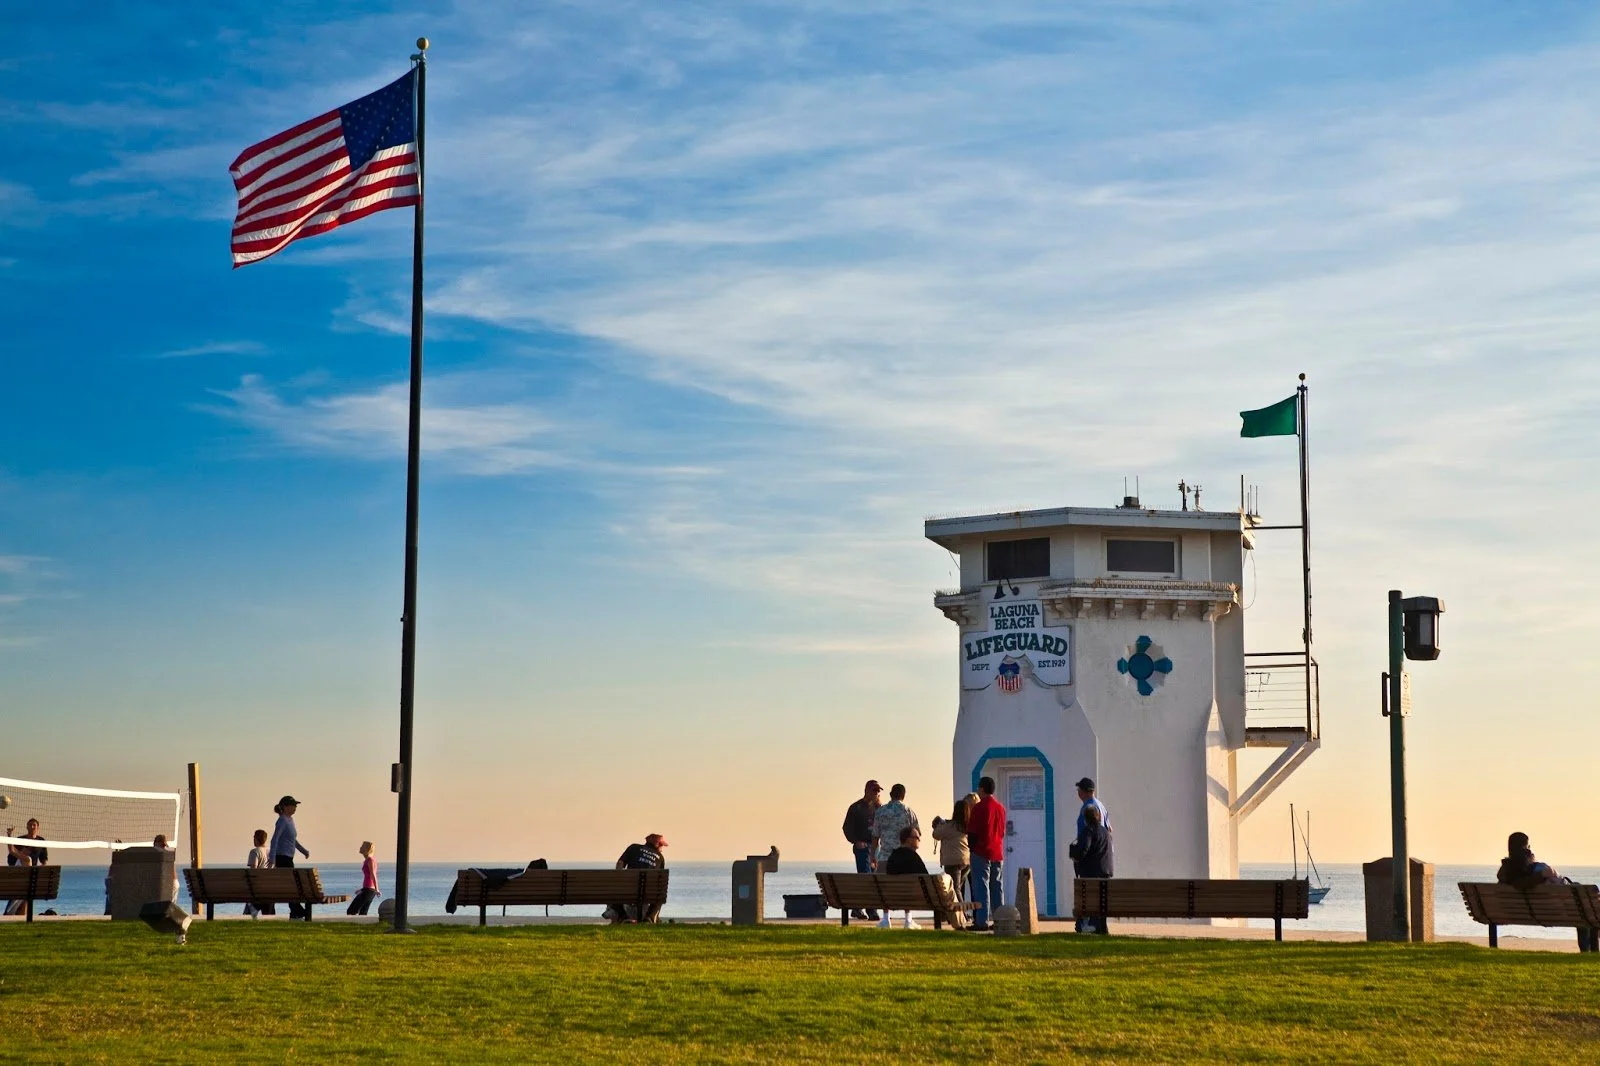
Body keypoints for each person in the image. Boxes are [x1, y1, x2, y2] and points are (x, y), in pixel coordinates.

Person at [1497, 831, 1595, 951]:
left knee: (1582, 908)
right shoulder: (1536, 871)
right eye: (1528, 846)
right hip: (1557, 911)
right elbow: (1522, 883)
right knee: (1583, 912)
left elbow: (1516, 882)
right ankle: (1587, 951)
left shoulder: (1506, 871)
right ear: (1525, 848)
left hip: (1528, 912)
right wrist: (1543, 874)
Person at [966, 776, 1006, 931]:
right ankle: (1000, 920)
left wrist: (972, 848)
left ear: (982, 789)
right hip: (997, 852)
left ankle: (982, 921)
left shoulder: (979, 807)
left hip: (982, 851)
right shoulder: (1000, 808)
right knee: (997, 887)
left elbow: (973, 832)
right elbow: (1002, 832)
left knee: (981, 886)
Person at [841, 779, 883, 920]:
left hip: (875, 847)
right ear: (866, 790)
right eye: (874, 790)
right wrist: (856, 841)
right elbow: (847, 828)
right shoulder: (856, 808)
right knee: (866, 878)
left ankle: (857, 907)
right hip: (862, 847)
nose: (876, 793)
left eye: (878, 791)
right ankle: (871, 910)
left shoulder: (880, 808)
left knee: (872, 877)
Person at [1068, 804, 1113, 934]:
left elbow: (1083, 850)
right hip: (1105, 873)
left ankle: (1090, 925)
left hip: (1092, 874)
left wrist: (1075, 855)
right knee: (1101, 899)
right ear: (1098, 817)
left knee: (1087, 896)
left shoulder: (1089, 831)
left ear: (1085, 819)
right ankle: (1101, 925)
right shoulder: (1106, 832)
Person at [608, 833, 668, 923]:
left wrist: (619, 879)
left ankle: (623, 916)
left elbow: (620, 864)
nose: (662, 849)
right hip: (649, 894)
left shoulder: (634, 847)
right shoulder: (660, 858)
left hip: (629, 890)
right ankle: (650, 917)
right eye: (661, 845)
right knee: (658, 896)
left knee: (613, 890)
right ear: (657, 845)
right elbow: (659, 881)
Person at [269, 795, 311, 920]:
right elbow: (274, 839)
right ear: (285, 807)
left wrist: (303, 851)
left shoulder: (290, 820)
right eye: (293, 805)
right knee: (291, 886)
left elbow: (292, 840)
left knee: (291, 886)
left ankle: (295, 913)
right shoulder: (282, 820)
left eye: (296, 806)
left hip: (288, 858)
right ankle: (298, 911)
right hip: (282, 858)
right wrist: (272, 858)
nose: (295, 808)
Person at [883, 825, 929, 929]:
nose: (919, 840)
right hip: (914, 898)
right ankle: (908, 921)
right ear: (908, 840)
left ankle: (900, 921)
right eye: (917, 837)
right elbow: (926, 879)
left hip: (893, 898)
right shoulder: (914, 858)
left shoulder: (893, 856)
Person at [931, 793, 974, 903]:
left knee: (955, 889)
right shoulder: (967, 825)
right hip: (966, 861)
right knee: (958, 886)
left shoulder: (950, 826)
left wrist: (938, 825)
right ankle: (961, 912)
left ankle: (962, 913)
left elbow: (936, 834)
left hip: (952, 861)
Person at [871, 784, 919, 873]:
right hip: (904, 859)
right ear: (903, 796)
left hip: (884, 859)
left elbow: (875, 837)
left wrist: (873, 856)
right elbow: (917, 834)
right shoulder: (908, 811)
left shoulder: (880, 812)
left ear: (890, 794)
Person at [348, 841, 379, 916]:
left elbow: (373, 875)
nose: (360, 848)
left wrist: (377, 889)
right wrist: (362, 889)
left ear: (367, 849)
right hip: (367, 889)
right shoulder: (367, 860)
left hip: (369, 890)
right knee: (362, 913)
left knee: (351, 910)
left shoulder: (370, 860)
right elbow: (369, 877)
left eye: (362, 846)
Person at [245, 829, 271, 917]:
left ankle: (249, 912)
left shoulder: (255, 852)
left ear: (256, 839)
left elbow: (253, 871)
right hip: (271, 889)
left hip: (258, 889)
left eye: (254, 838)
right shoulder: (271, 852)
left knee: (251, 901)